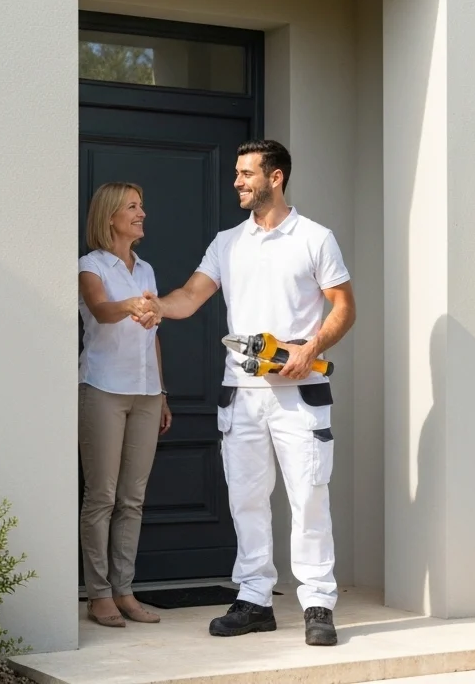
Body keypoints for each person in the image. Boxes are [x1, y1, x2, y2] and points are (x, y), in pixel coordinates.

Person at [135, 140, 355, 647]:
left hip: (301, 392)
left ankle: (318, 603)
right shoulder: (227, 242)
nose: (236, 181)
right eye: (236, 172)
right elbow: (191, 295)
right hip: (242, 393)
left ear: (275, 178)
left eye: (246, 173)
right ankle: (255, 599)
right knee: (246, 500)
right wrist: (158, 307)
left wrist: (312, 347)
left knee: (309, 497)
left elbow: (344, 306)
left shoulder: (314, 238)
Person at [77, 181, 173, 628]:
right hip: (103, 389)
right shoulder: (90, 266)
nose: (142, 213)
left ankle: (124, 591)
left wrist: (163, 391)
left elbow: (153, 337)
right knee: (101, 497)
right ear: (110, 216)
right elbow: (100, 310)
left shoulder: (146, 270)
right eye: (133, 207)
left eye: (142, 205)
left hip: (147, 393)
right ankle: (98, 595)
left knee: (132, 499)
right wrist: (130, 304)